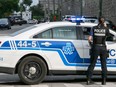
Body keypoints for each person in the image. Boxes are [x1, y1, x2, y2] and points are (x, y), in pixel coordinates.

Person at [87, 16, 109, 85]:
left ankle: (88, 80)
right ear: (104, 21)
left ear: (98, 21)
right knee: (104, 65)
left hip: (95, 47)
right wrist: (105, 27)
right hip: (103, 47)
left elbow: (89, 39)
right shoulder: (106, 29)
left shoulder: (94, 28)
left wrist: (91, 45)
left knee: (92, 64)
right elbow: (108, 35)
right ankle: (104, 81)